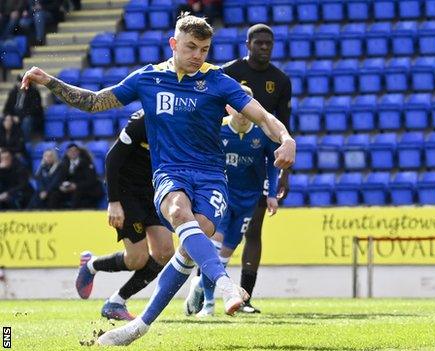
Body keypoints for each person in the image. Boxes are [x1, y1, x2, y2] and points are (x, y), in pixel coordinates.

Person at [21, 13, 295, 346]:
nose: (198, 55)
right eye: (191, 47)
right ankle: (223, 284)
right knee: (179, 213)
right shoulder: (148, 79)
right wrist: (50, 81)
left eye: (204, 49)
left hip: (211, 178)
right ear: (174, 44)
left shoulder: (219, 81)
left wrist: (287, 139)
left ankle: (138, 326)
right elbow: (94, 102)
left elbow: (265, 117)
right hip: (170, 173)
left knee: (192, 246)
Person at [184, 85, 279, 317]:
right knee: (215, 248)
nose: (243, 112)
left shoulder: (261, 133)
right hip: (221, 195)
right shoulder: (218, 129)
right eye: (238, 107)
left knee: (225, 256)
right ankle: (208, 305)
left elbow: (272, 165)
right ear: (231, 107)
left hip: (249, 199)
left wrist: (272, 193)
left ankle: (199, 286)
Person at [75, 109, 174, 321]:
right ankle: (92, 264)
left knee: (165, 252)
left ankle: (116, 302)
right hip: (127, 193)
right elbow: (112, 159)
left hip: (154, 192)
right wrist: (113, 202)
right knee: (137, 259)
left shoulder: (182, 121)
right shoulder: (142, 121)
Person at [221, 23, 292, 313]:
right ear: (248, 43)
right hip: (225, 160)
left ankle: (245, 296)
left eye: (269, 44)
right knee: (214, 230)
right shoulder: (228, 72)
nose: (264, 47)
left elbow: (286, 126)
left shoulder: (281, 80)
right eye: (259, 43)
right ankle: (205, 291)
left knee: (254, 231)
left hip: (258, 164)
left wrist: (285, 171)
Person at [46, 143, 103, 209]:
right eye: (70, 151)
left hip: (84, 189)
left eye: (75, 151)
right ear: (67, 153)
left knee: (78, 192)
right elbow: (58, 179)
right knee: (54, 194)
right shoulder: (63, 164)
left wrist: (76, 186)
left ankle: (73, 214)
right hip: (68, 189)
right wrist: (61, 186)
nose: (73, 153)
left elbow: (91, 180)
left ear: (78, 152)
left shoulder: (86, 163)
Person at [4, 74, 44, 139]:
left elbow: (34, 110)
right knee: (3, 120)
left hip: (29, 116)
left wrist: (19, 117)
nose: (21, 84)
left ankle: (24, 143)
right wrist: (9, 116)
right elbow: (7, 108)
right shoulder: (13, 92)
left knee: (26, 121)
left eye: (23, 81)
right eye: (19, 82)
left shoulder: (34, 92)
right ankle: (5, 143)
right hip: (14, 116)